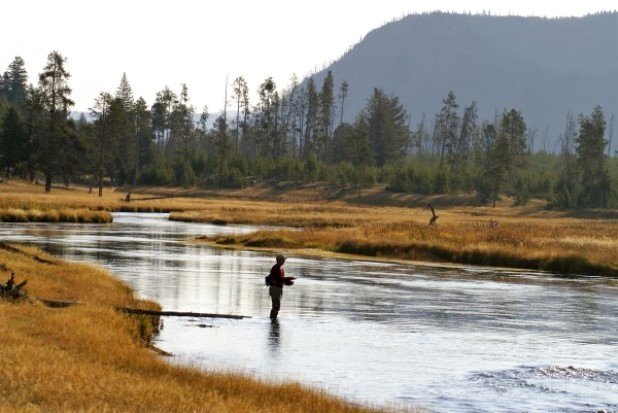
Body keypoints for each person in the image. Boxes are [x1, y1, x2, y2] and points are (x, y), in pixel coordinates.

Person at [268, 254, 296, 322]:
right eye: (283, 260)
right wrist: (289, 278)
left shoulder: (280, 268)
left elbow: (281, 280)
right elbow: (279, 279)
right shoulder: (276, 268)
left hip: (278, 288)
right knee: (276, 306)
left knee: (276, 306)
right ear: (279, 260)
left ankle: (273, 321)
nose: (284, 261)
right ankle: (273, 322)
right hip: (275, 289)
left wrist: (288, 282)